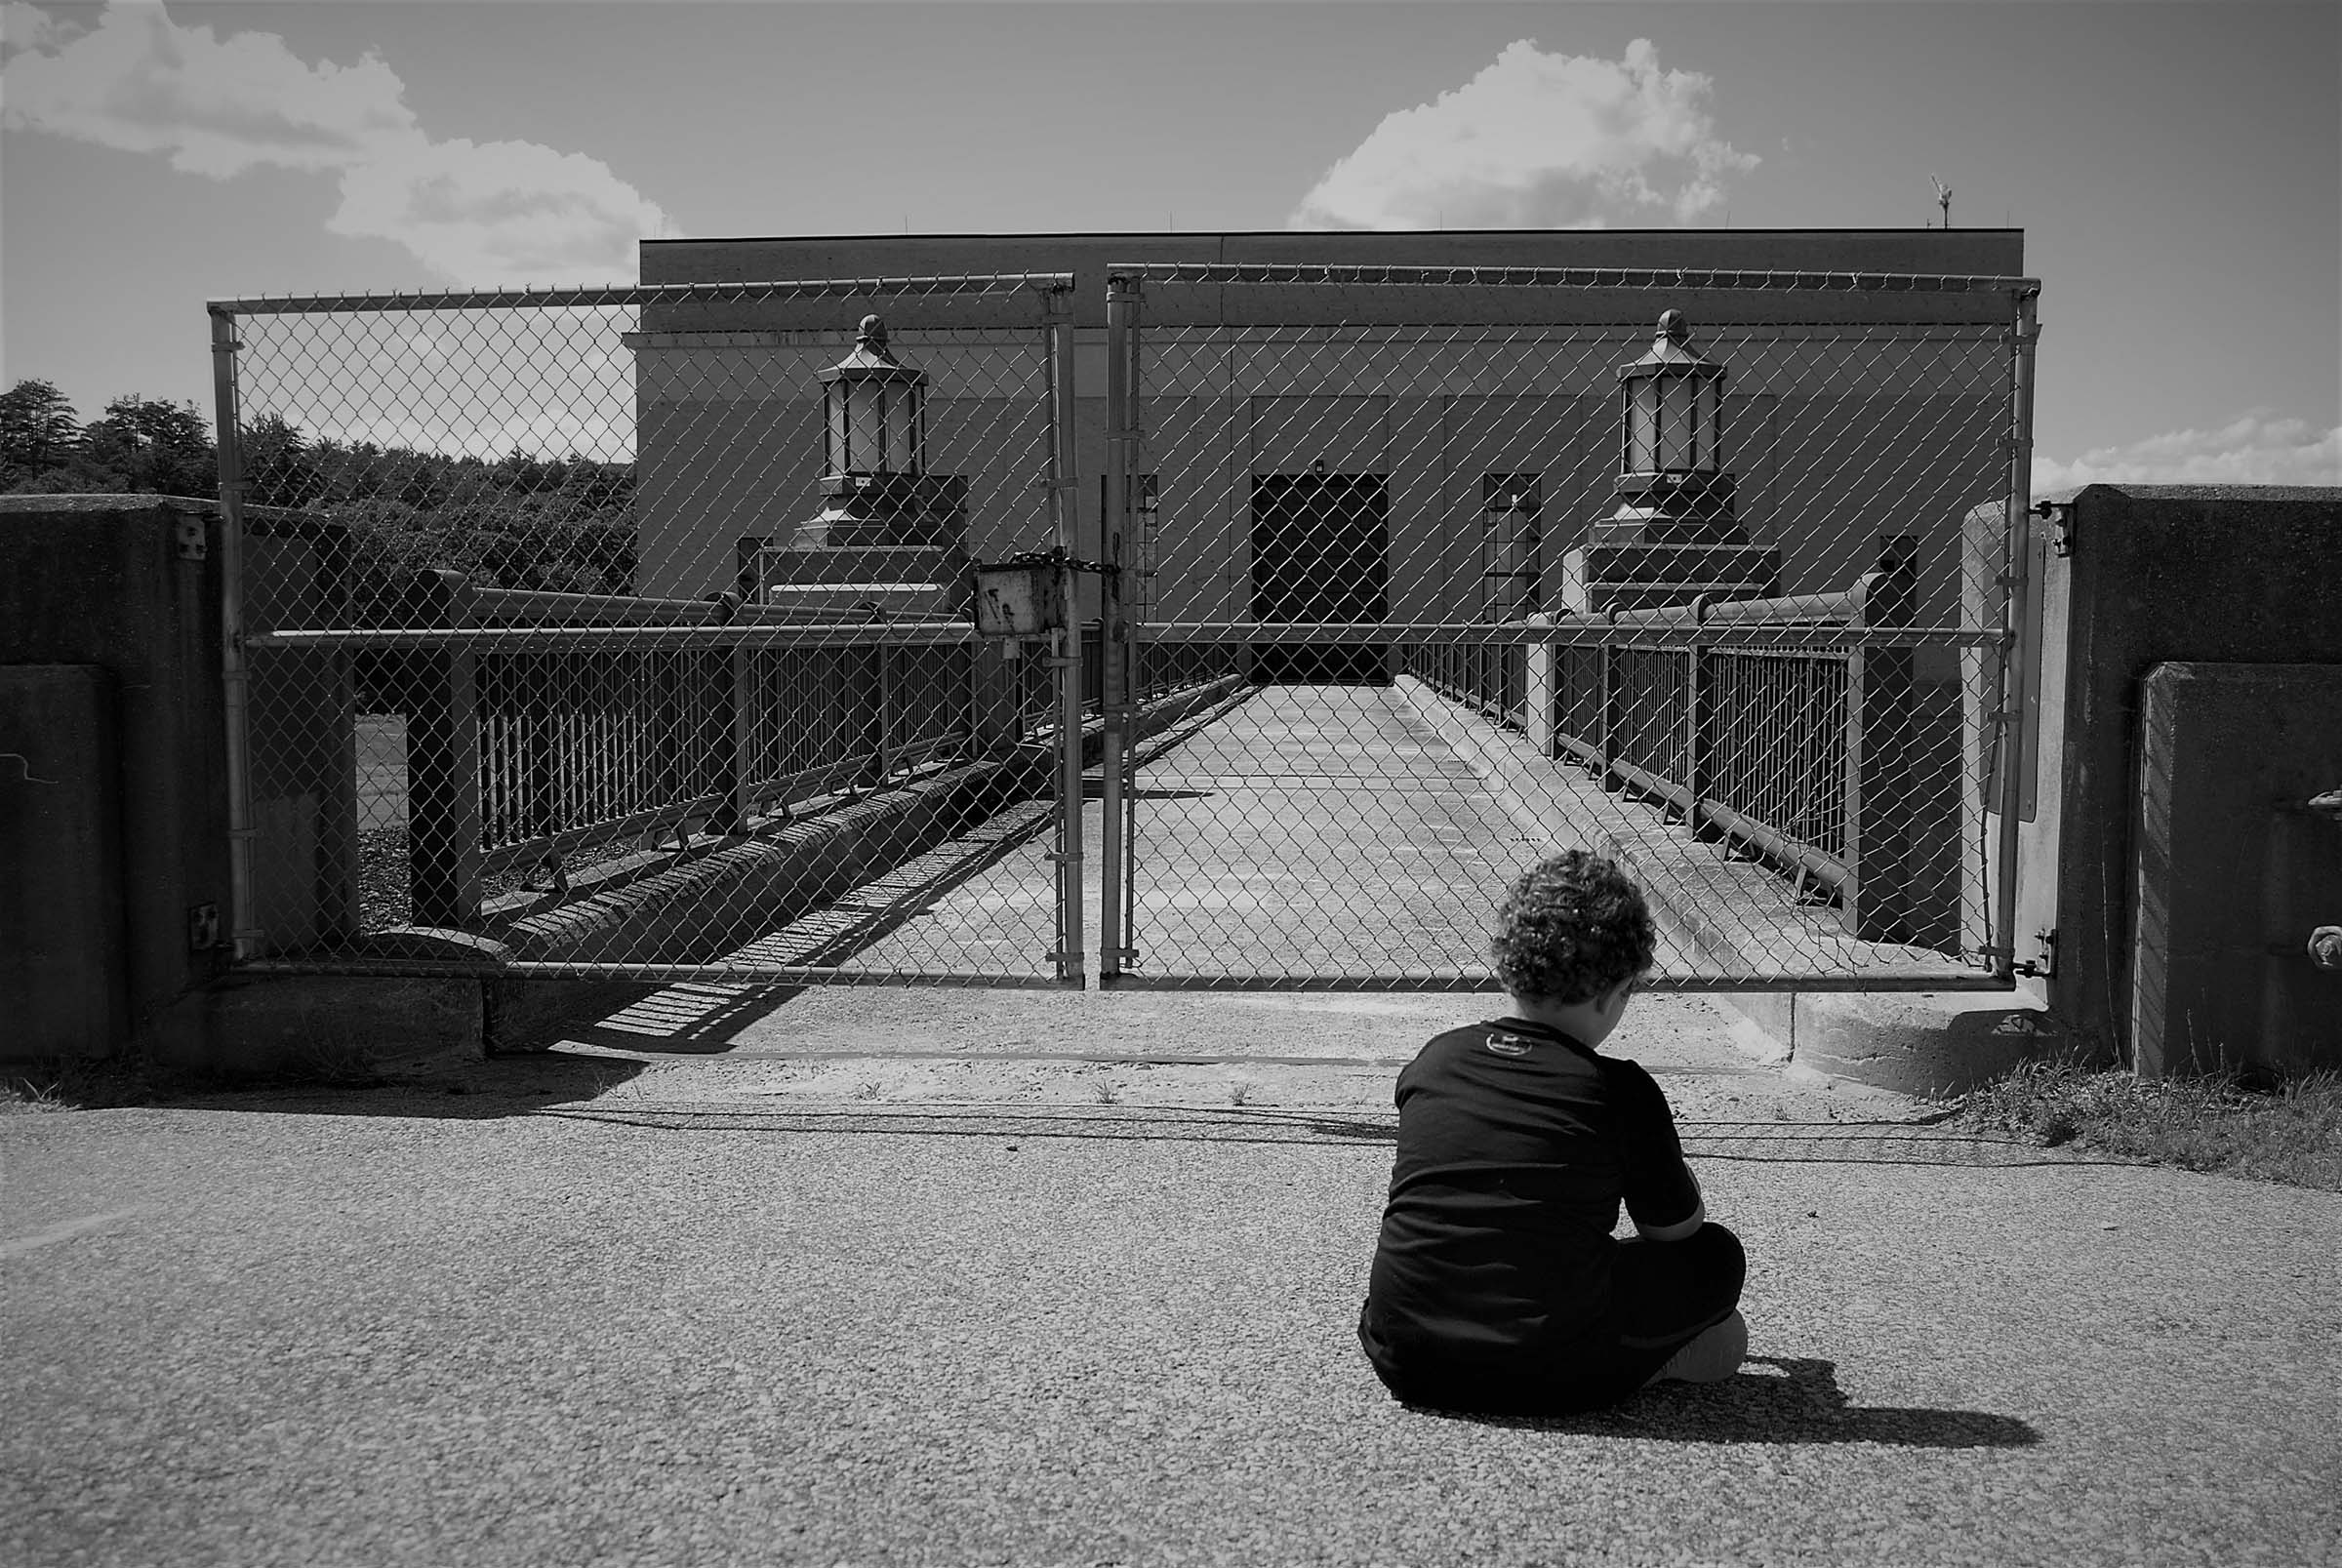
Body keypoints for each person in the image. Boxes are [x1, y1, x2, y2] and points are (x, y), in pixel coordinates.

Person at [1357, 850, 1747, 1416]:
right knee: (1717, 1257)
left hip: (1405, 1353)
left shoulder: (1436, 1060)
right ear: (1616, 992)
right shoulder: (1619, 1090)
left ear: (1505, 966)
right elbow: (1677, 1231)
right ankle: (1653, 1362)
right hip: (1551, 1366)